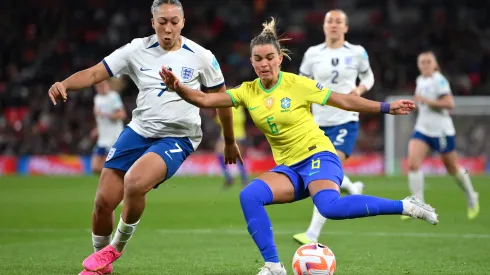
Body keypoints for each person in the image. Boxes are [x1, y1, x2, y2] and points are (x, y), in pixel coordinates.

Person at [160, 17, 438, 275]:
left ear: (279, 59)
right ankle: (273, 266)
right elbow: (207, 100)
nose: (264, 63)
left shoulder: (297, 84)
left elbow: (343, 100)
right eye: (258, 59)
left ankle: (406, 205)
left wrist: (386, 107)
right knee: (249, 195)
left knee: (329, 207)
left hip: (318, 155)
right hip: (289, 168)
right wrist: (179, 88)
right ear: (252, 62)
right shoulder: (247, 91)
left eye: (270, 57)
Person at [47, 1, 241, 274]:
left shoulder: (201, 56)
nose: (168, 28)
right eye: (162, 21)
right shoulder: (136, 49)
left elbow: (222, 100)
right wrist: (64, 83)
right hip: (139, 130)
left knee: (135, 183)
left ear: (183, 22)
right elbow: (94, 73)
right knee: (103, 202)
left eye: (174, 21)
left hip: (178, 136)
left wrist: (230, 141)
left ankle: (115, 247)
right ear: (153, 22)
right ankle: (100, 265)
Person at [293, 9, 374, 245]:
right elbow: (302, 83)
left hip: (345, 120)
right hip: (318, 123)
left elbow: (369, 78)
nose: (334, 25)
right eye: (330, 21)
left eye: (339, 22)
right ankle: (352, 185)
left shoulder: (357, 52)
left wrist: (359, 91)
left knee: (325, 172)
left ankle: (311, 234)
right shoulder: (312, 53)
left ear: (346, 28)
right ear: (324, 26)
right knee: (323, 170)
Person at [403, 51, 479, 221]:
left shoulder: (440, 80)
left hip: (441, 131)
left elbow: (449, 103)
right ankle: (418, 205)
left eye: (428, 61)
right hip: (422, 129)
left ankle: (472, 195)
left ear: (435, 64)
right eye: (422, 62)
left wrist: (427, 101)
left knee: (451, 167)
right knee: (413, 164)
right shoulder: (420, 80)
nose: (425, 65)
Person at [91, 79, 127, 175]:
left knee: (109, 168)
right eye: (98, 86)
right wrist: (97, 129)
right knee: (95, 167)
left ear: (107, 85)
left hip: (113, 138)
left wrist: (106, 115)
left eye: (103, 85)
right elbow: (99, 119)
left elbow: (122, 114)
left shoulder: (113, 96)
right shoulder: (97, 98)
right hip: (102, 139)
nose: (101, 88)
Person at [214, 105, 249, 188]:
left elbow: (238, 119)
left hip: (237, 135)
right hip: (227, 134)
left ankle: (244, 178)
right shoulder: (228, 105)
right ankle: (229, 177)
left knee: (237, 157)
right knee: (219, 154)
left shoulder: (235, 105)